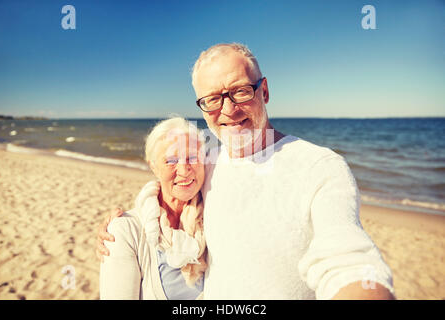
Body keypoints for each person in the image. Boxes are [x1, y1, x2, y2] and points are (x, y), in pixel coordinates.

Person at [97, 43, 395, 300]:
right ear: (202, 106)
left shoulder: (318, 167)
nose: (228, 110)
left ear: (263, 90)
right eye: (212, 99)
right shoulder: (207, 164)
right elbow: (169, 188)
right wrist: (120, 224)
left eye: (240, 91)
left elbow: (345, 257)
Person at [99, 117, 208, 299]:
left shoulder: (215, 216)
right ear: (154, 167)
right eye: (171, 160)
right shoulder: (125, 231)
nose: (184, 169)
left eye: (192, 157)